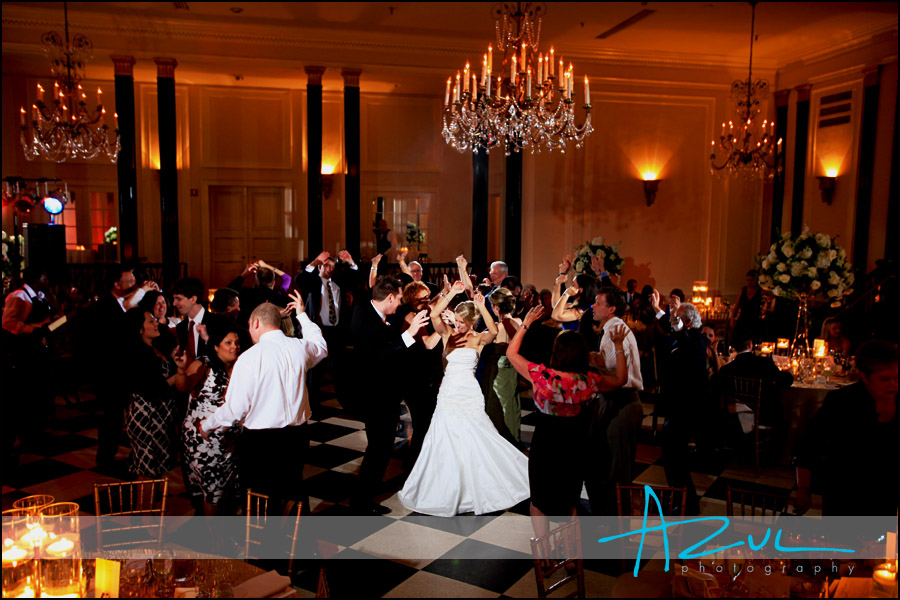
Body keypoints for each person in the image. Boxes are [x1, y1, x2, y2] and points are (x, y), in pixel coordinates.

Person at [398, 280, 529, 516]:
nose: (457, 325)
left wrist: (483, 304)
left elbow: (492, 331)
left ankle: (482, 483)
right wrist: (452, 294)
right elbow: (436, 313)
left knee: (476, 435)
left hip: (469, 393)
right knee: (444, 437)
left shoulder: (478, 339)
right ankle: (447, 489)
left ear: (471, 322)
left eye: (461, 322)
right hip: (448, 393)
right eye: (456, 321)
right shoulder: (447, 334)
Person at [197, 294, 327, 512]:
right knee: (293, 489)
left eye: (249, 325)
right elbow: (321, 346)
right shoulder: (299, 348)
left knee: (260, 499)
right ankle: (300, 544)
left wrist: (207, 425)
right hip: (297, 436)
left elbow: (234, 410)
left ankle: (263, 545)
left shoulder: (249, 358)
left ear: (255, 323)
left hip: (261, 442)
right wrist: (302, 315)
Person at [507, 306, 628, 537]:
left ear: (557, 352)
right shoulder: (588, 381)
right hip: (574, 445)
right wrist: (619, 347)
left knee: (539, 501)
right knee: (569, 502)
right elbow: (621, 379)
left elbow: (512, 354)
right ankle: (571, 557)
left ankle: (544, 555)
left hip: (545, 446)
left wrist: (525, 324)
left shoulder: (542, 377)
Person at [351, 277, 430, 515]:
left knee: (381, 448)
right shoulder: (365, 320)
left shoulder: (376, 312)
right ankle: (362, 501)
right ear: (388, 298)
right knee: (378, 449)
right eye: (397, 300)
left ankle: (367, 494)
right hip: (375, 397)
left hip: (385, 395)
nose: (399, 305)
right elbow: (379, 354)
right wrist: (410, 333)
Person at [794, 339, 897, 516]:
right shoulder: (842, 402)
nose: (893, 385)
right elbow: (809, 445)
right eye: (885, 379)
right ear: (864, 377)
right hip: (845, 495)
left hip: (886, 496)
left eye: (897, 378)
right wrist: (804, 488)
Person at [584, 287, 644, 515]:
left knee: (616, 468)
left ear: (611, 309)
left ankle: (615, 523)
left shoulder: (613, 331)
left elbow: (613, 372)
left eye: (598, 303)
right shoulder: (611, 328)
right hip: (619, 400)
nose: (593, 306)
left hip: (621, 401)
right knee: (612, 464)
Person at [177, 325, 242, 514]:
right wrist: (181, 369)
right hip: (204, 440)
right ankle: (215, 542)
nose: (234, 347)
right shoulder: (204, 364)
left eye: (237, 343)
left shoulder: (240, 367)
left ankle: (223, 536)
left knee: (229, 491)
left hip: (230, 442)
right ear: (216, 346)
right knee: (212, 492)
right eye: (228, 343)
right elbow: (185, 385)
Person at [298, 250, 360, 406]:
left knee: (340, 367)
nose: (330, 269)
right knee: (316, 369)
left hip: (336, 331)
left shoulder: (338, 282)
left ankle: (345, 401)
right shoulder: (313, 282)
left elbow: (356, 277)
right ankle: (312, 402)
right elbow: (301, 279)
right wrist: (315, 261)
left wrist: (350, 261)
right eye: (326, 266)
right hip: (319, 330)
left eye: (333, 266)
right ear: (320, 267)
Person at [124, 308, 179, 478]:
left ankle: (155, 503)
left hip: (160, 417)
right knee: (147, 467)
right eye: (150, 321)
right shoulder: (138, 354)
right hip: (146, 415)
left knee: (158, 466)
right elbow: (155, 387)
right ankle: (145, 504)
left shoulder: (155, 348)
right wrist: (181, 374)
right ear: (139, 329)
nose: (156, 324)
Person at [486, 287, 523, 442]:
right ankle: (514, 440)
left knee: (498, 409)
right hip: (513, 372)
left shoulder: (497, 328)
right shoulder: (519, 322)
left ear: (495, 307)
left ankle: (502, 444)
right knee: (512, 406)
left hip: (498, 375)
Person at [173, 278, 224, 363]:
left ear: (193, 299)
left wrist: (208, 339)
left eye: (178, 299)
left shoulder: (218, 322)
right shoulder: (181, 327)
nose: (174, 303)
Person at [137, 290, 177, 358]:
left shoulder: (176, 321)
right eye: (157, 303)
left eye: (163, 302)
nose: (162, 306)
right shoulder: (151, 332)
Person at [730, 270, 764, 345]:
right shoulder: (743, 290)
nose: (749, 283)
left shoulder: (761, 292)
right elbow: (737, 306)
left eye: (752, 280)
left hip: (755, 322)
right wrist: (732, 318)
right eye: (748, 280)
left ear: (757, 280)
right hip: (742, 320)